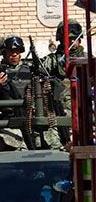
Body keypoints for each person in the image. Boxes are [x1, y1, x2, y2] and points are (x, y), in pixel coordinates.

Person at [0, 34, 33, 151]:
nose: (14, 54)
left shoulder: (31, 70)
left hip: (31, 122)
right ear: (3, 53)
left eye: (17, 51)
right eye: (10, 51)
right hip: (7, 123)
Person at [41, 19, 85, 149]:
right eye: (68, 38)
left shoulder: (88, 60)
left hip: (83, 115)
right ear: (61, 40)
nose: (72, 42)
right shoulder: (51, 61)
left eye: (74, 38)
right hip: (57, 115)